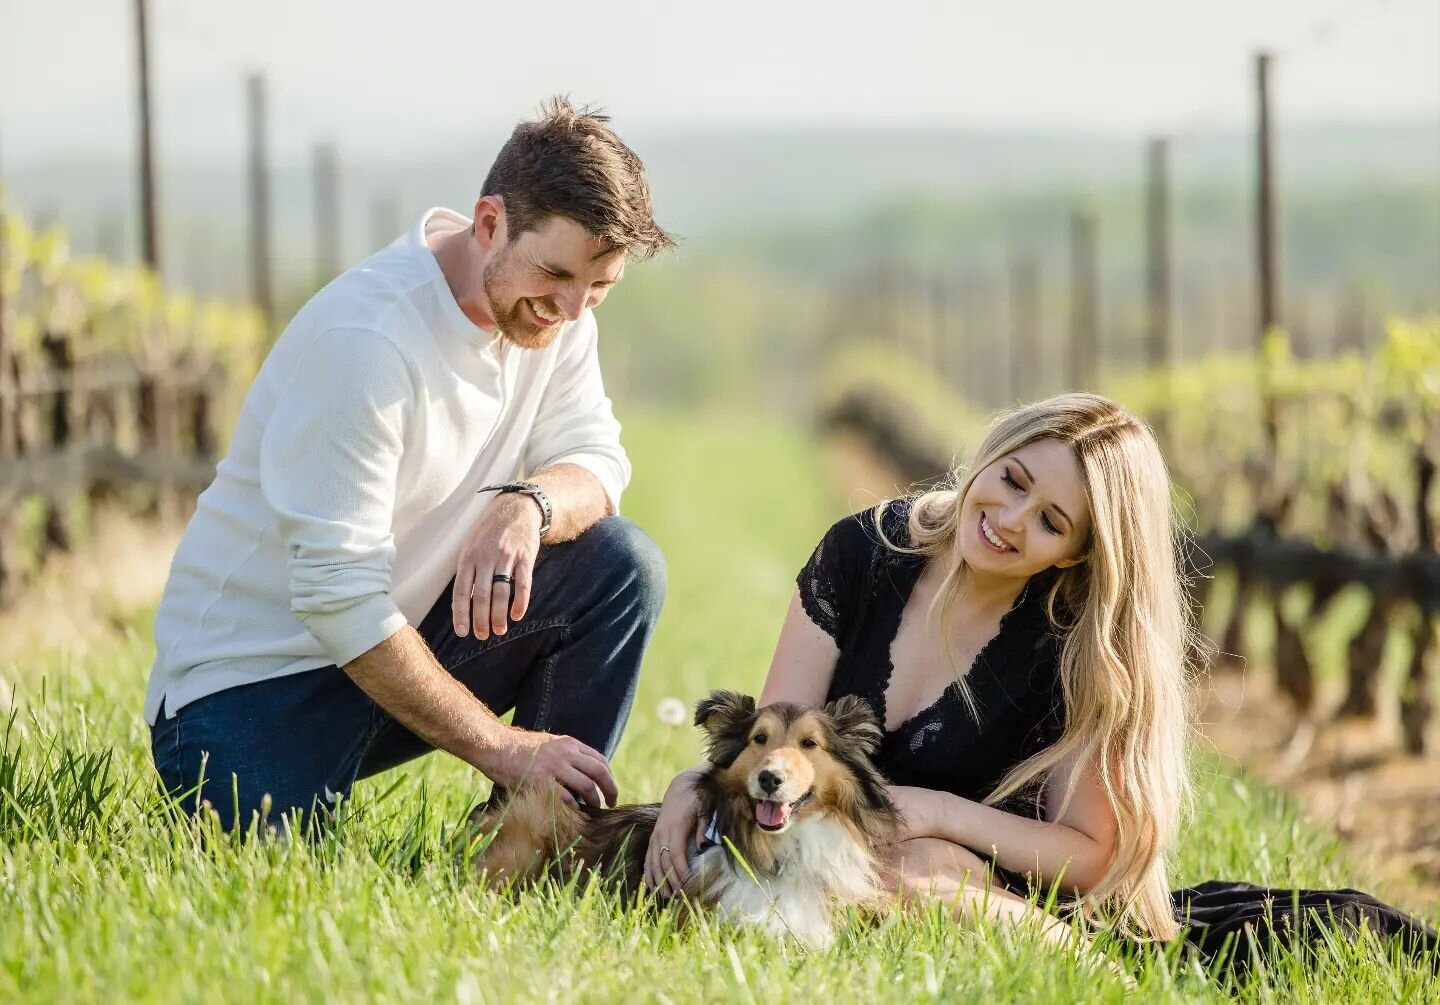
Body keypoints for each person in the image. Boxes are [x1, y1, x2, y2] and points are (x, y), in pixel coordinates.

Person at [146, 97, 674, 833]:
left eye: (599, 287)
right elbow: (338, 597)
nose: (575, 309)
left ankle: (530, 845)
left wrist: (527, 504)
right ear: (489, 223)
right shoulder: (366, 340)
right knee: (277, 869)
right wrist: (505, 747)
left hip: (398, 642)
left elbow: (597, 457)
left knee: (621, 565)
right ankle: (521, 781)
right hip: (249, 695)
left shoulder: (559, 314)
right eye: (556, 275)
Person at [645, 392, 1194, 944]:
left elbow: (1092, 857)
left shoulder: (1082, 644)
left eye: (1050, 522)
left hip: (1000, 882)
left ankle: (1085, 963)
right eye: (1013, 481)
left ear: (1076, 553)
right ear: (991, 455)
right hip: (833, 853)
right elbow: (779, 757)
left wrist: (940, 813)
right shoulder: (859, 553)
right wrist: (691, 783)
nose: (1009, 519)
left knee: (910, 868)